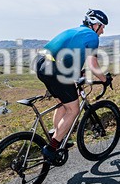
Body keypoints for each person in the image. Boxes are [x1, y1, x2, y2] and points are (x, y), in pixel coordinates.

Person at [35, 9, 112, 165]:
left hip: (40, 63)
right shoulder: (91, 36)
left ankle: (56, 134)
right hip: (55, 69)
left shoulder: (76, 31)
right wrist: (105, 79)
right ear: (95, 24)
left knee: (65, 102)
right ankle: (52, 148)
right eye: (102, 26)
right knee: (74, 110)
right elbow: (93, 64)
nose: (103, 31)